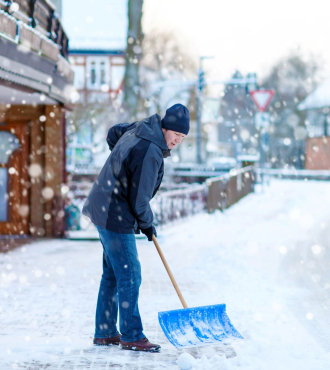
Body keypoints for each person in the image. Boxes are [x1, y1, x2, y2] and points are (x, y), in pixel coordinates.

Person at [82, 104, 190, 352]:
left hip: (103, 205)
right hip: (114, 213)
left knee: (112, 274)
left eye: (182, 137)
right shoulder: (151, 150)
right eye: (176, 134)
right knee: (130, 274)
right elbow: (140, 200)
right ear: (166, 127)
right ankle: (131, 335)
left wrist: (120, 166)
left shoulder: (141, 128)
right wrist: (148, 224)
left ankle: (106, 331)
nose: (177, 141)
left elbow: (113, 132)